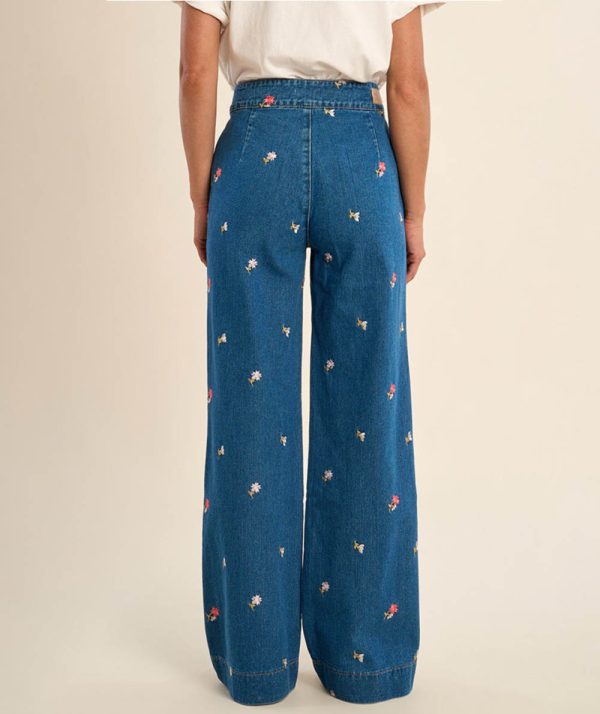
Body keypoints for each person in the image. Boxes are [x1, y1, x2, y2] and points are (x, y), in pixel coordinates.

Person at [177, 0, 444, 705]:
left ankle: (257, 665)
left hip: (253, 153)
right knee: (368, 409)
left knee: (248, 413)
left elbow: (196, 70)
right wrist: (414, 211)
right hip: (362, 153)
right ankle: (365, 660)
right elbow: (409, 83)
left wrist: (203, 198)